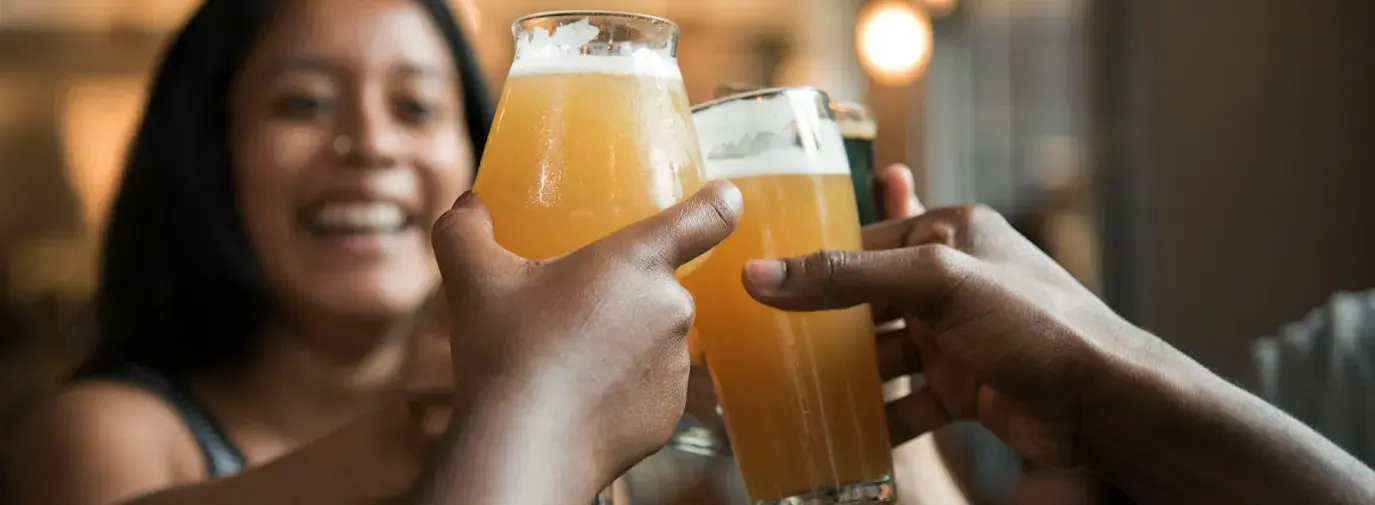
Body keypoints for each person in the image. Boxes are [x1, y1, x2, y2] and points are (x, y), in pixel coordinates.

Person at [4, 0, 501, 503]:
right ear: (210, 154)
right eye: (305, 103)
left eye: (415, 107)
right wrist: (430, 439)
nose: (372, 144)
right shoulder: (108, 434)